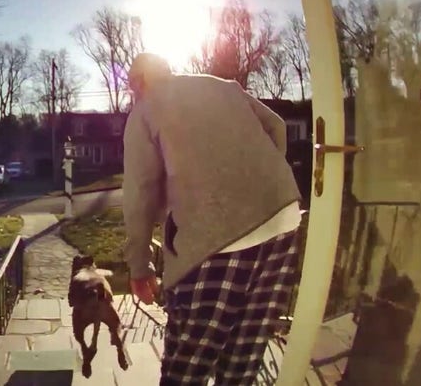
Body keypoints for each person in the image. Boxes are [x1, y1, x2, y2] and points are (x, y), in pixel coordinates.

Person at [122, 53, 302, 386]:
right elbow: (276, 126)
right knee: (244, 354)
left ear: (138, 83)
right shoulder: (222, 86)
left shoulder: (145, 110)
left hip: (213, 236)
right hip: (283, 219)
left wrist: (139, 267)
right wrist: (259, 184)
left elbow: (139, 193)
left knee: (189, 362)